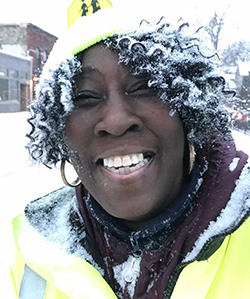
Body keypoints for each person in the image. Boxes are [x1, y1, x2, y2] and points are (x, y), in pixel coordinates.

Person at [11, 5, 250, 299]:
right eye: (85, 96)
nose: (116, 121)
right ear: (59, 131)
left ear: (188, 110)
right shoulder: (28, 260)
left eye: (145, 87)